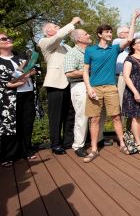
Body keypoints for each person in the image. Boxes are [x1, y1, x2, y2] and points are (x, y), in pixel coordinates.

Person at [82, 9, 140, 163]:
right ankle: (94, 149)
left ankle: (122, 144)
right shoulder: (90, 50)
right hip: (94, 88)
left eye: (110, 32)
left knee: (116, 116)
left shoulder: (114, 49)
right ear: (100, 34)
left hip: (110, 87)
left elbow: (129, 38)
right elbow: (85, 71)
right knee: (94, 119)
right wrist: (88, 88)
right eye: (107, 32)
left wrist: (133, 18)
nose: (110, 34)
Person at [38, 17, 81, 154]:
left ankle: (68, 141)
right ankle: (55, 144)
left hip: (71, 84)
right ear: (48, 31)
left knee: (70, 114)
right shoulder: (45, 42)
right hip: (56, 84)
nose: (58, 27)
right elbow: (59, 36)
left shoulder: (66, 47)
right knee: (55, 116)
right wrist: (72, 23)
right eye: (55, 26)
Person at [64, 29, 109, 157]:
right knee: (82, 116)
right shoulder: (72, 53)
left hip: (96, 85)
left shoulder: (92, 51)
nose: (89, 35)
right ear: (78, 39)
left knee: (100, 114)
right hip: (80, 85)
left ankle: (98, 139)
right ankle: (78, 145)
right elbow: (69, 72)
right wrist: (88, 70)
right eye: (86, 34)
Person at [0, 33, 37, 166]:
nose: (8, 40)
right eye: (4, 39)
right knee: (9, 125)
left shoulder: (20, 56)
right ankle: (8, 156)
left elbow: (35, 68)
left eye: (9, 38)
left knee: (27, 122)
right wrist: (7, 84)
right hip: (8, 98)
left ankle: (26, 150)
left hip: (27, 93)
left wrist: (32, 71)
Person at [113, 20, 140, 110]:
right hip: (121, 77)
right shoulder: (117, 41)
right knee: (122, 103)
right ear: (120, 34)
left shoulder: (132, 47)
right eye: (128, 32)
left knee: (133, 104)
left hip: (134, 78)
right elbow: (131, 38)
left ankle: (130, 124)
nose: (131, 34)